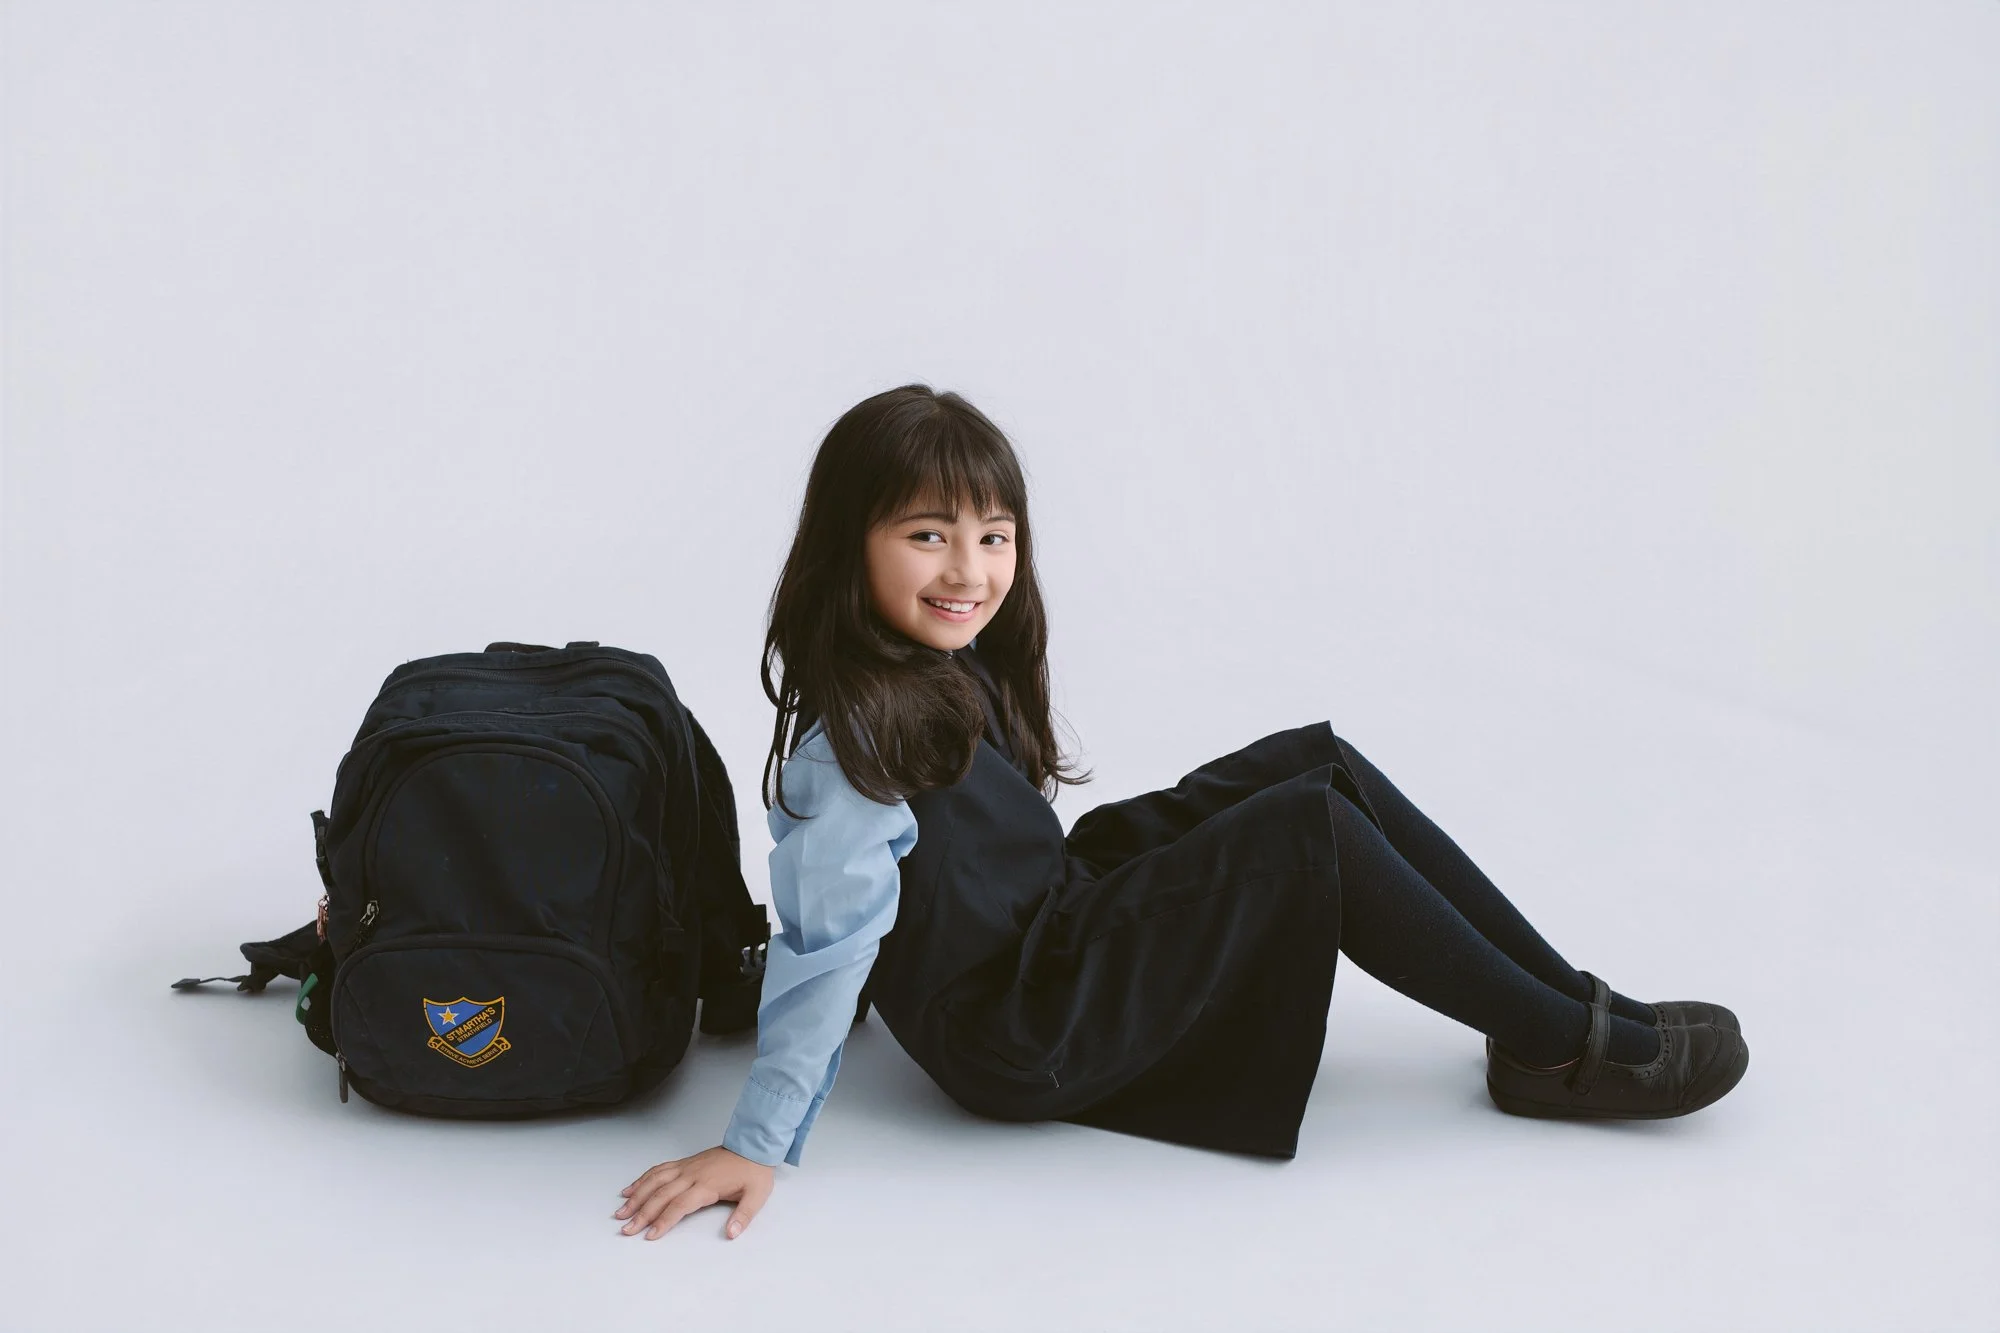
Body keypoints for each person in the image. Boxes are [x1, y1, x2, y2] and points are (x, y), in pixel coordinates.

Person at [615, 384, 1750, 1241]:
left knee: (1317, 763)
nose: (968, 570)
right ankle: (1563, 1052)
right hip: (1016, 1024)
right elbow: (831, 938)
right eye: (926, 534)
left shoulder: (933, 666)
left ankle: (1556, 1005)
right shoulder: (848, 752)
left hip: (1043, 915)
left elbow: (920, 883)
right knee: (1307, 833)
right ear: (846, 546)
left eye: (992, 535)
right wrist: (755, 1142)